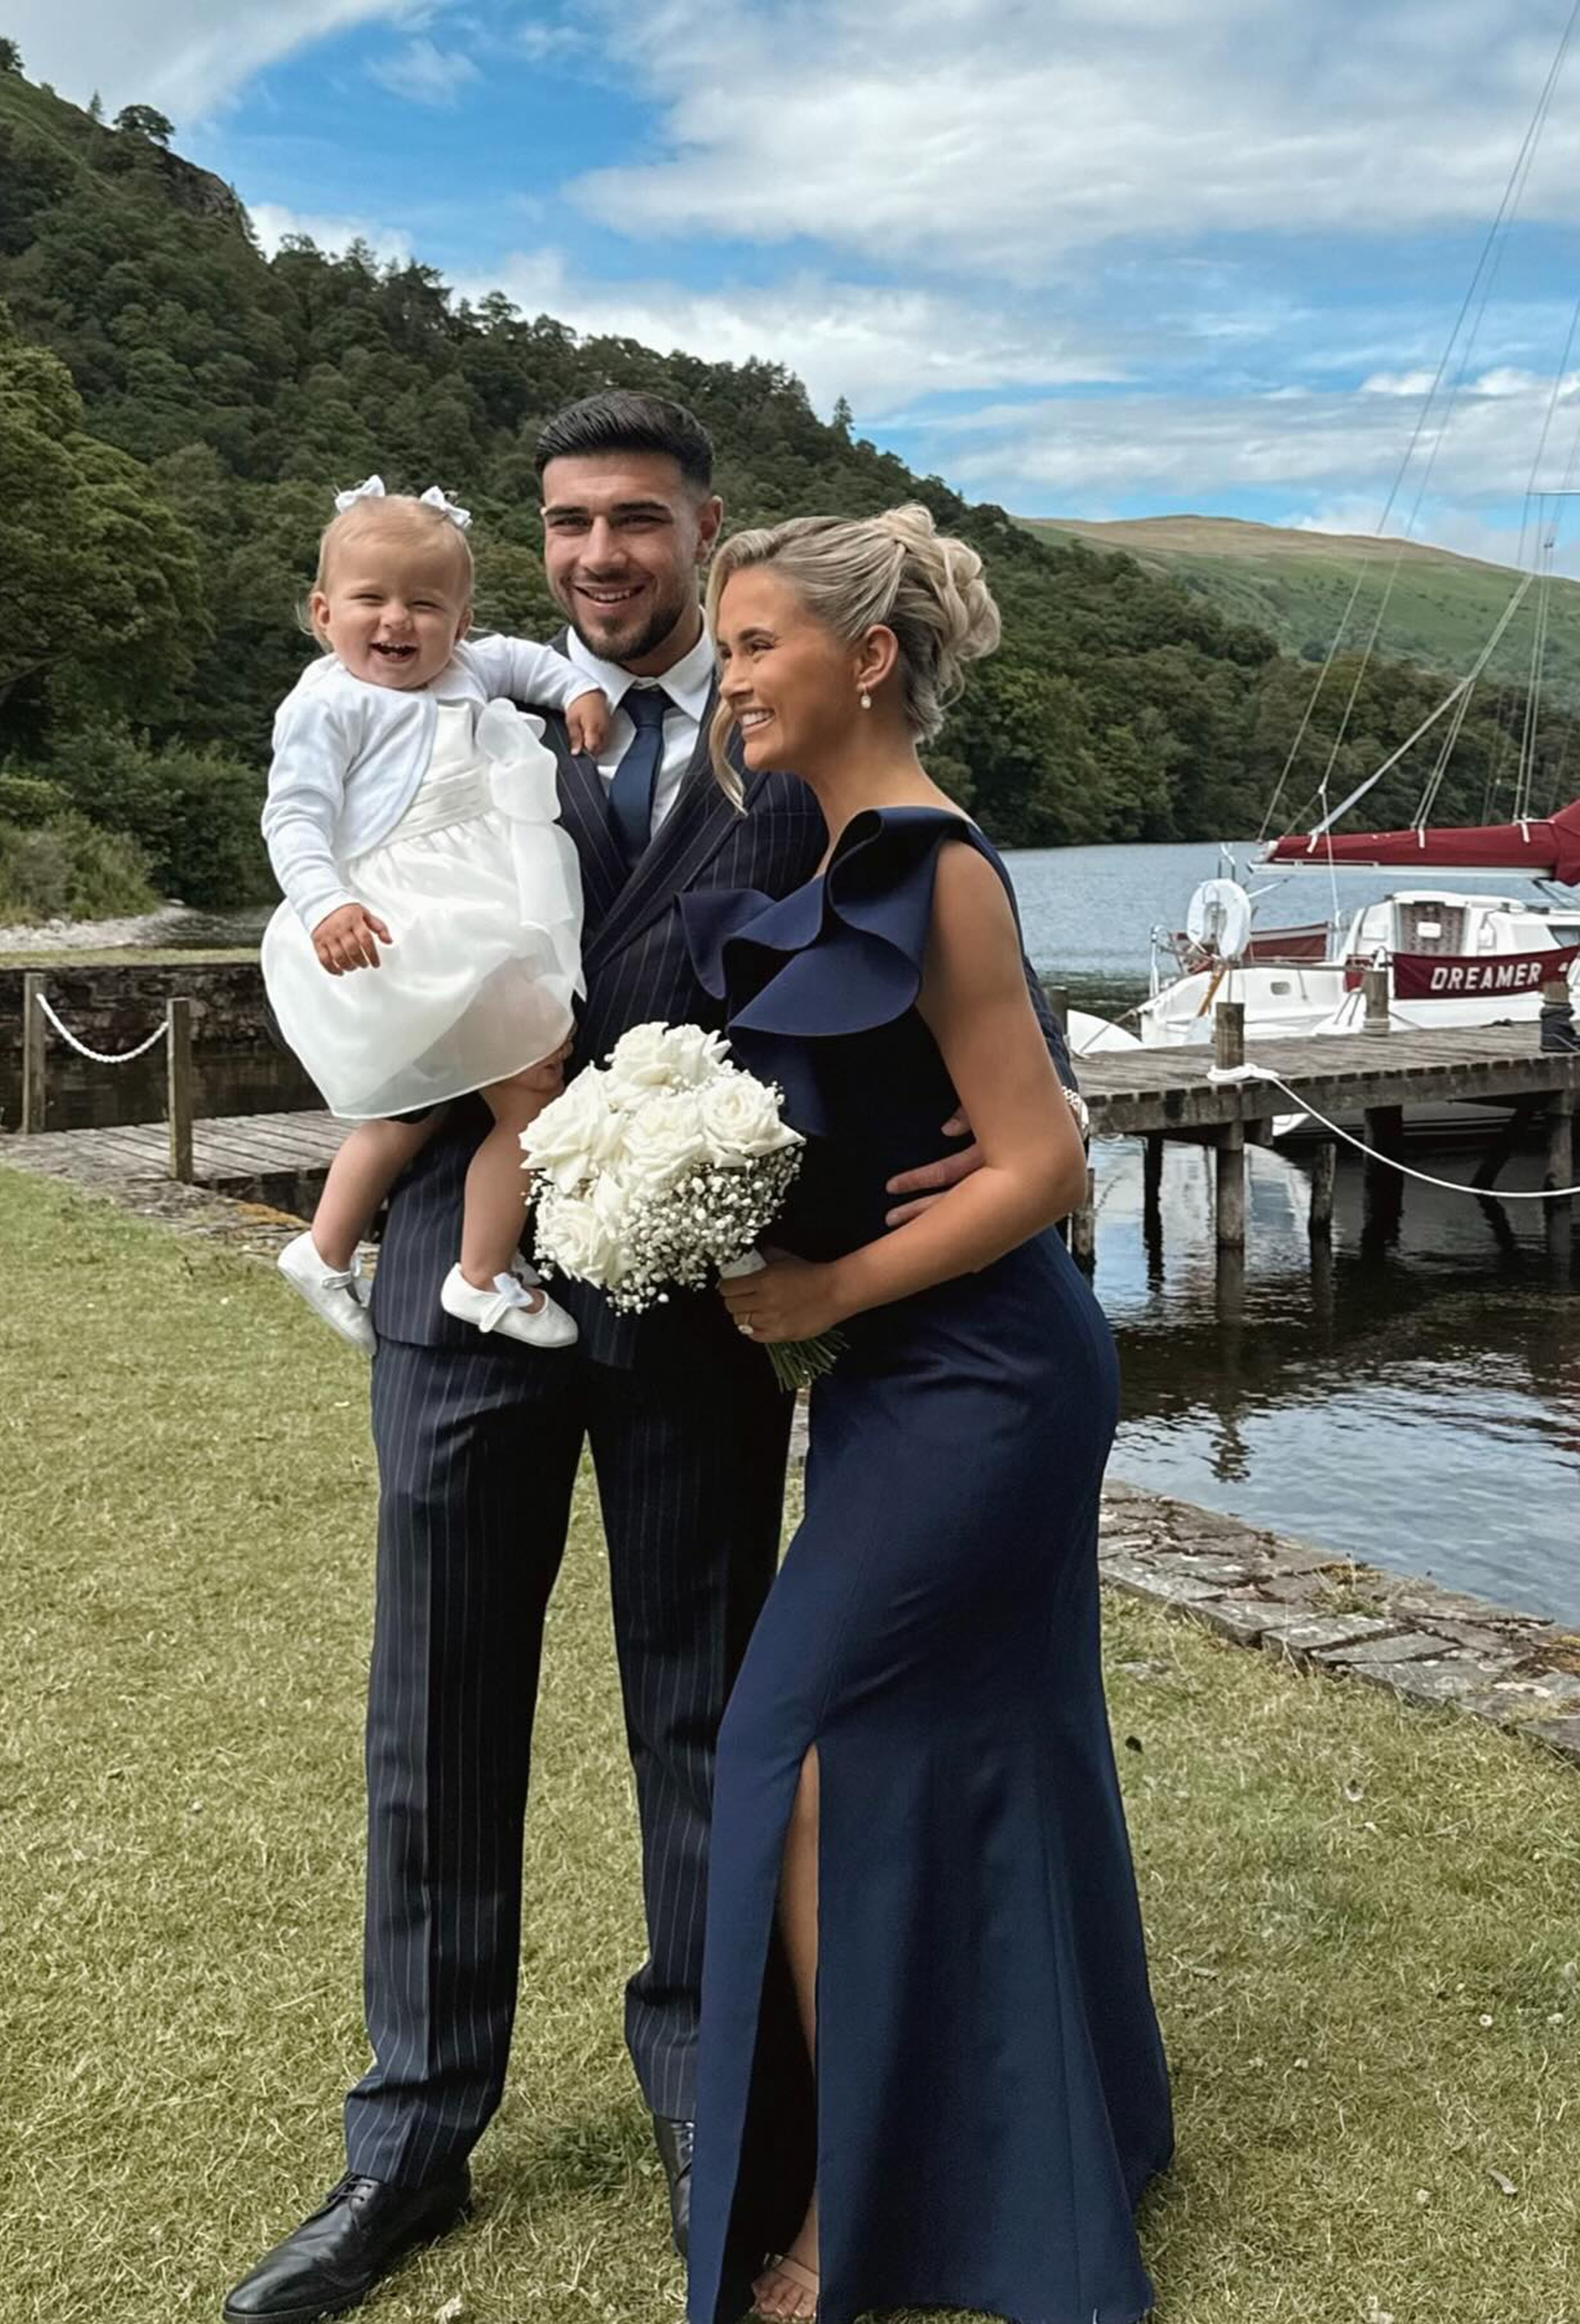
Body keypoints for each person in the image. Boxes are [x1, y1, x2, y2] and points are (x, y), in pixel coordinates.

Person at [223, 397, 1082, 2324]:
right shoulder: (437, 693)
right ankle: (408, 2135)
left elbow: (948, 925)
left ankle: (715, 2107)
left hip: (707, 1299)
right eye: (565, 523)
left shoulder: (792, 723)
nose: (598, 555)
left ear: (702, 531)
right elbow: (322, 897)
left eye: (633, 521)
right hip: (473, 1264)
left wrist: (1021, 1108)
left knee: (701, 1707)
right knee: (434, 1709)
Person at [682, 507, 1172, 2324]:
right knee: (990, 1742)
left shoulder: (929, 859)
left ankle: (857, 2202)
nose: (732, 677)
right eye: (729, 648)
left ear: (865, 657)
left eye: (755, 645)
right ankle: (1060, 2130)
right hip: (914, 1379)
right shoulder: (830, 845)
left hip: (984, 1376)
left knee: (791, 1749)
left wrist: (816, 1296)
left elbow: (1041, 1155)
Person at [260, 477, 611, 1351]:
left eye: (425, 604)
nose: (397, 623)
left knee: (443, 1105)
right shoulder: (326, 703)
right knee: (510, 1092)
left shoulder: (469, 666)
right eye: (370, 601)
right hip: (395, 926)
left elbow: (531, 660)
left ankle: (330, 1247)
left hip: (479, 911)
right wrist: (325, 901)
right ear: (321, 611)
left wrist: (576, 690)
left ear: (460, 622)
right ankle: (478, 1271)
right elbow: (294, 817)